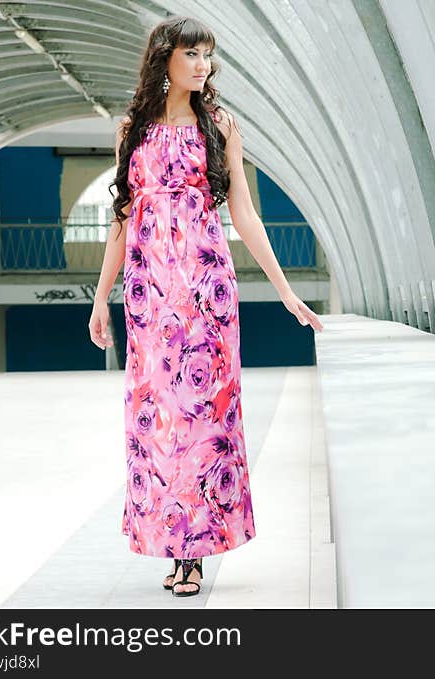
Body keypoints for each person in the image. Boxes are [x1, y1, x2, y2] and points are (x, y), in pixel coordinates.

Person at [88, 16, 323, 597]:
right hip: (148, 297)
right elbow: (121, 221)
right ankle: (170, 540)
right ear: (165, 59)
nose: (203, 66)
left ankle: (193, 551)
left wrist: (288, 292)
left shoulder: (220, 126)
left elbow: (244, 214)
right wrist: (100, 299)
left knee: (205, 416)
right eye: (192, 54)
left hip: (206, 289)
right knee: (158, 418)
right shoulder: (132, 131)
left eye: (208, 56)